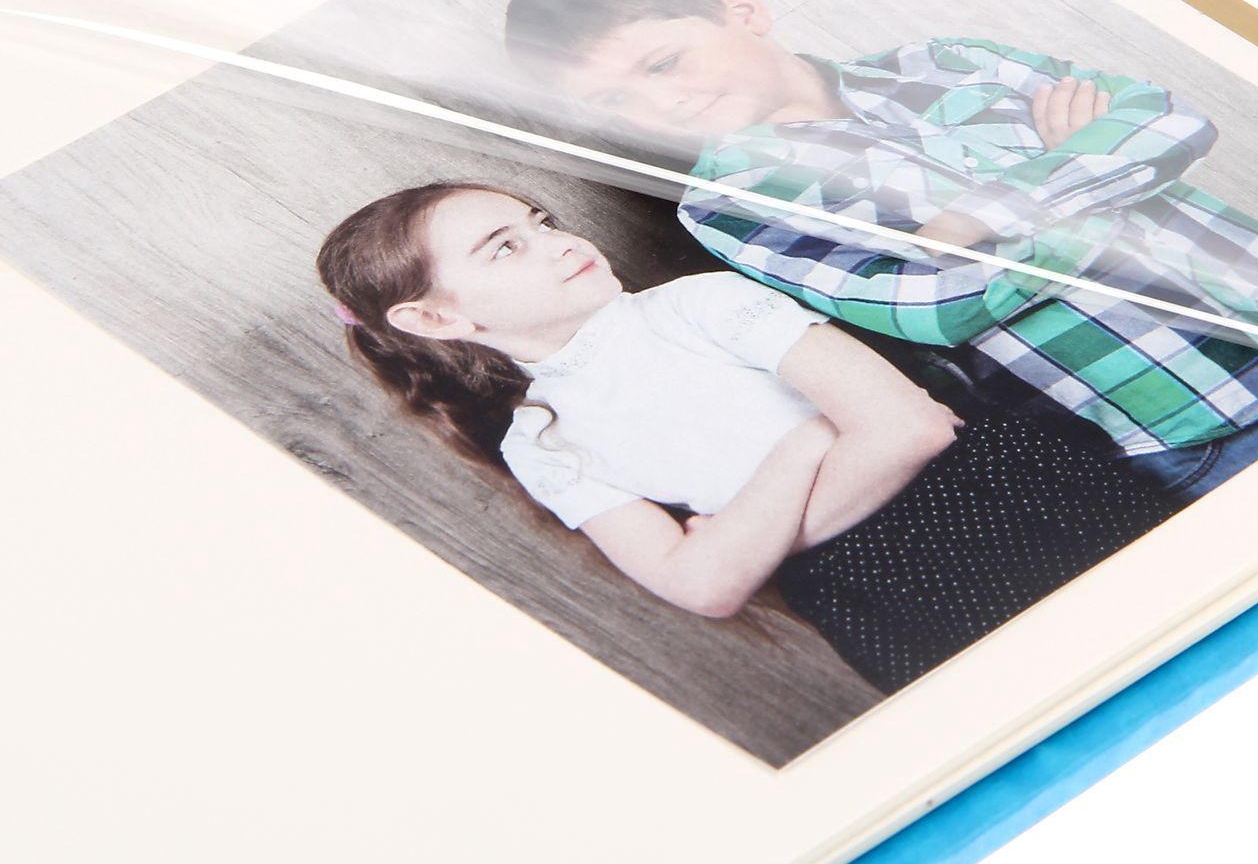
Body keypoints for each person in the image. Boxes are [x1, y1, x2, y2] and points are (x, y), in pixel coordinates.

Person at [504, 0, 1258, 505]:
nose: (662, 103)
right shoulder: (733, 205)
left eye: (663, 62)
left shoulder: (946, 61)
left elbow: (1166, 120)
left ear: (743, 12)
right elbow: (936, 305)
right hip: (1204, 423)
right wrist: (1081, 170)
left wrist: (980, 217)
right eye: (616, 102)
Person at [316, 182, 1177, 693]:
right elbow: (703, 588)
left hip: (1001, 508)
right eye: (505, 248)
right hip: (878, 601)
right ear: (434, 318)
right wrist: (806, 446)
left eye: (540, 220)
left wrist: (742, 536)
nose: (556, 242)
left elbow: (913, 428)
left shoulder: (701, 303)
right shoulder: (538, 443)